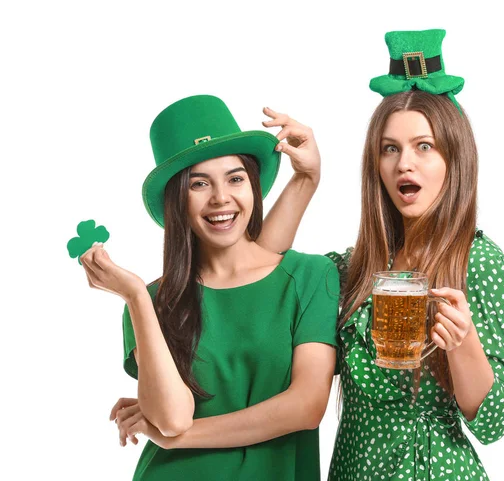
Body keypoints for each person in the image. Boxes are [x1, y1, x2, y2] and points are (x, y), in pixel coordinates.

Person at [259, 29, 504, 480]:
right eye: (390, 149)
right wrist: (305, 180)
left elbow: (495, 424)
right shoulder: (356, 267)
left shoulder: (482, 265)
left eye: (425, 147)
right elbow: (265, 265)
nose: (405, 164)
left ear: (453, 160)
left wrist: (463, 345)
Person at [80, 95, 340, 481]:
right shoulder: (152, 301)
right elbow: (171, 418)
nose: (221, 197)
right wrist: (135, 296)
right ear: (176, 202)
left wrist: (178, 439)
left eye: (235, 178)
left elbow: (306, 406)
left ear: (252, 186)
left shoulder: (311, 275)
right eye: (199, 184)